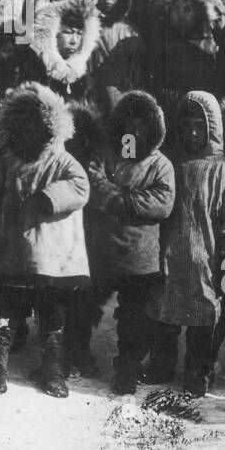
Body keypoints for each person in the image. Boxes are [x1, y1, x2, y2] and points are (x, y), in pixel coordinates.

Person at [0, 82, 90, 398]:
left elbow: (80, 186)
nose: (29, 130)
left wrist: (50, 197)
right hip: (12, 254)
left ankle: (53, 370)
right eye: (21, 123)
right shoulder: (7, 164)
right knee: (2, 312)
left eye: (36, 123)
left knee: (52, 316)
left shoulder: (62, 161)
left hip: (50, 259)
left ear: (50, 125)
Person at [144, 91, 225, 398]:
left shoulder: (221, 170)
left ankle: (198, 371)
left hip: (205, 259)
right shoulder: (169, 164)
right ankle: (161, 364)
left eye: (199, 127)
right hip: (169, 256)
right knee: (164, 315)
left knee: (202, 320)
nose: (192, 132)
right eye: (186, 126)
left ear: (211, 130)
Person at [77, 91, 177, 394]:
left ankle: (127, 370)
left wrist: (120, 197)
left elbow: (163, 202)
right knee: (85, 307)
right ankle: (77, 354)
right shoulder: (107, 153)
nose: (133, 133)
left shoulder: (161, 164)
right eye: (127, 125)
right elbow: (91, 183)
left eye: (141, 127)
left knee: (134, 320)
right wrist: (115, 195)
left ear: (153, 130)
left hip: (140, 259)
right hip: (101, 253)